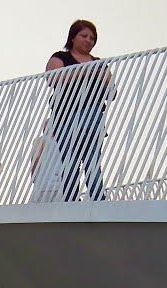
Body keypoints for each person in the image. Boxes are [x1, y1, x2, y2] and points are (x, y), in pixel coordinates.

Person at [45, 19, 113, 202]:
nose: (88, 40)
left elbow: (111, 92)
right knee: (70, 160)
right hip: (66, 116)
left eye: (92, 38)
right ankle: (71, 199)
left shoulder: (99, 63)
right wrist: (86, 71)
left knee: (92, 160)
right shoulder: (61, 57)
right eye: (84, 36)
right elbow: (53, 78)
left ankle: (98, 198)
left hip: (93, 115)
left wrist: (102, 77)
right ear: (73, 37)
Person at [29, 118, 64, 202]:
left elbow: (36, 158)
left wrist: (33, 176)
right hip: (59, 186)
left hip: (43, 185)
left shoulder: (40, 140)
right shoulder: (63, 143)